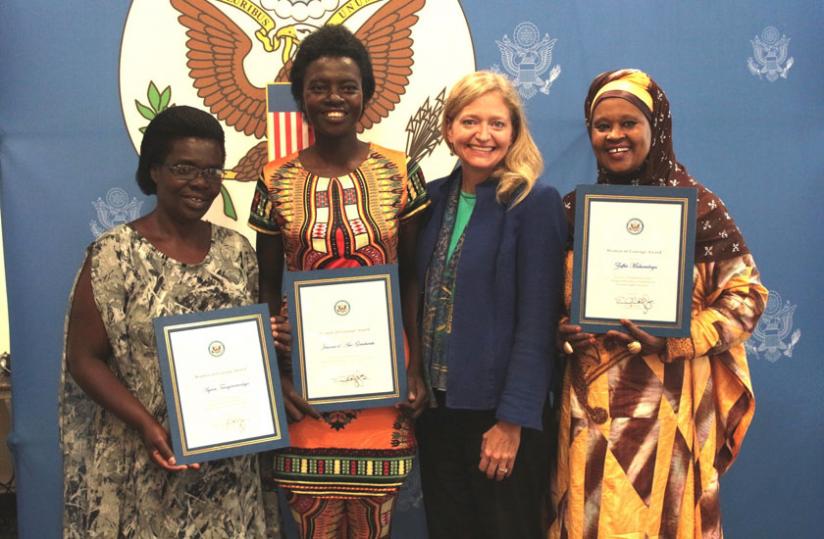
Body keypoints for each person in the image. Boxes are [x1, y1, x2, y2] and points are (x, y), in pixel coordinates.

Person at [550, 69, 768, 538]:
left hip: (670, 405)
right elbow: (542, 302)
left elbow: (746, 299)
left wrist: (678, 338)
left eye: (628, 122)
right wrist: (557, 329)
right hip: (588, 409)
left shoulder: (699, 209)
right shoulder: (571, 213)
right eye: (601, 125)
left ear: (656, 127)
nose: (614, 135)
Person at [248, 25, 429, 537]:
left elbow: (413, 276)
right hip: (304, 388)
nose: (334, 98)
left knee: (375, 525)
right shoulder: (273, 178)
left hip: (383, 385)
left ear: (367, 95)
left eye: (347, 87)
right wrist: (275, 376)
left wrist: (413, 369)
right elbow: (265, 286)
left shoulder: (399, 171)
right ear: (300, 96)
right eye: (319, 86)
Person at [60, 106, 268, 537]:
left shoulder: (239, 251)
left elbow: (248, 349)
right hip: (144, 462)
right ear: (154, 169)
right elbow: (84, 360)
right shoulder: (114, 255)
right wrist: (147, 425)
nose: (200, 183)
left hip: (226, 468)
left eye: (212, 171)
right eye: (184, 168)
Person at [414, 71, 567, 539]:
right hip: (437, 412)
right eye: (470, 121)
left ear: (514, 131)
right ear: (447, 129)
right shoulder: (429, 198)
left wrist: (512, 421)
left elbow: (538, 323)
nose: (483, 134)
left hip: (500, 419)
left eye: (497, 124)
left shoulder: (532, 202)